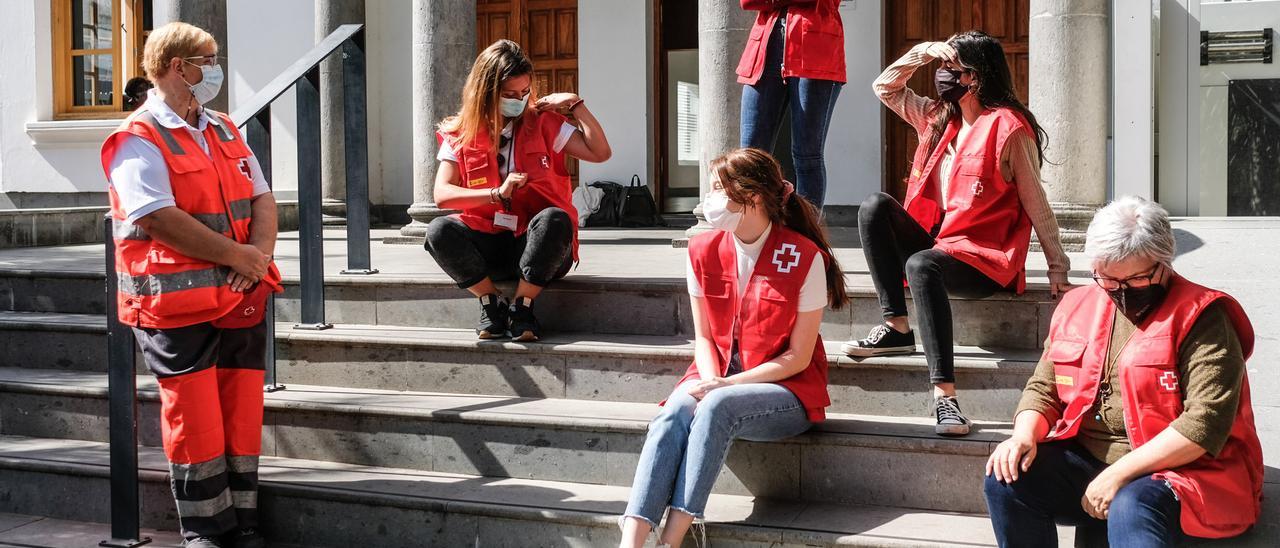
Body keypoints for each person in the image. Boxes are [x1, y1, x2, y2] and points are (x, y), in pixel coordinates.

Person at [983, 196, 1262, 547]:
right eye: (1108, 280)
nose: (1121, 292)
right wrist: (1023, 435)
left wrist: (1120, 473)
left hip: (1181, 472)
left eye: (1135, 280)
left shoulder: (1203, 316)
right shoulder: (1077, 305)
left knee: (1133, 505)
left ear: (1164, 263)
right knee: (1006, 479)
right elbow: (1044, 388)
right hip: (1090, 459)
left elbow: (1204, 423)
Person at [100, 22, 279, 548]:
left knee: (240, 414)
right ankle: (207, 530)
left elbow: (263, 198)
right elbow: (155, 216)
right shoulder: (137, 137)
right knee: (195, 421)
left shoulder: (223, 126)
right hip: (176, 304)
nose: (216, 68)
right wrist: (240, 257)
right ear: (179, 67)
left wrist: (256, 260)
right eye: (209, 58)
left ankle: (243, 521)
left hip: (240, 295)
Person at [841, 31, 1071, 436]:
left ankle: (946, 399)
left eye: (952, 68)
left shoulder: (1009, 129)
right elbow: (885, 87)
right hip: (942, 244)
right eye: (942, 67)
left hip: (984, 259)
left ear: (976, 77)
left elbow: (1036, 201)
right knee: (874, 206)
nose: (943, 75)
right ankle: (897, 328)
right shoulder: (936, 117)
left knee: (921, 263)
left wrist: (1057, 266)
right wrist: (922, 52)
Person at [619, 148, 848, 548]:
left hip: (787, 388)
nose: (707, 201)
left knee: (717, 405)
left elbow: (797, 356)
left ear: (753, 197)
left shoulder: (804, 257)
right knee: (674, 411)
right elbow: (704, 337)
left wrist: (727, 386)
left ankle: (670, 541)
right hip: (715, 371)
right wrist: (712, 380)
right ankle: (632, 542)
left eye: (716, 191)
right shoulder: (702, 250)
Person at [424, 39, 611, 341]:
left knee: (555, 219)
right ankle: (490, 302)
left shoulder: (545, 123)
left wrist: (577, 106)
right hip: (490, 245)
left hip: (541, 246)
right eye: (510, 94)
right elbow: (442, 196)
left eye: (524, 93)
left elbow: (600, 152)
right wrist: (496, 194)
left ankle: (522, 308)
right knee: (438, 232)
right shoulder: (459, 133)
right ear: (486, 93)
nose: (520, 100)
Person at [737, 0, 845, 209]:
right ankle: (753, 225)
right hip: (763, 51)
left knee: (807, 156)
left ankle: (806, 233)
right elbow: (747, 2)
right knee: (750, 155)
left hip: (815, 52)